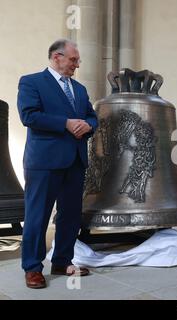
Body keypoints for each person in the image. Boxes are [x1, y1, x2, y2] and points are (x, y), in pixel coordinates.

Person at [17, 39, 98, 288]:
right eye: (73, 59)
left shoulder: (80, 89)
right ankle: (32, 267)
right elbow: (28, 115)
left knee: (70, 215)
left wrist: (88, 126)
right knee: (37, 215)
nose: (76, 64)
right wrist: (65, 123)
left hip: (75, 161)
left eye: (77, 60)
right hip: (44, 162)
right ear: (56, 57)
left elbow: (91, 117)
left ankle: (62, 261)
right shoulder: (31, 82)